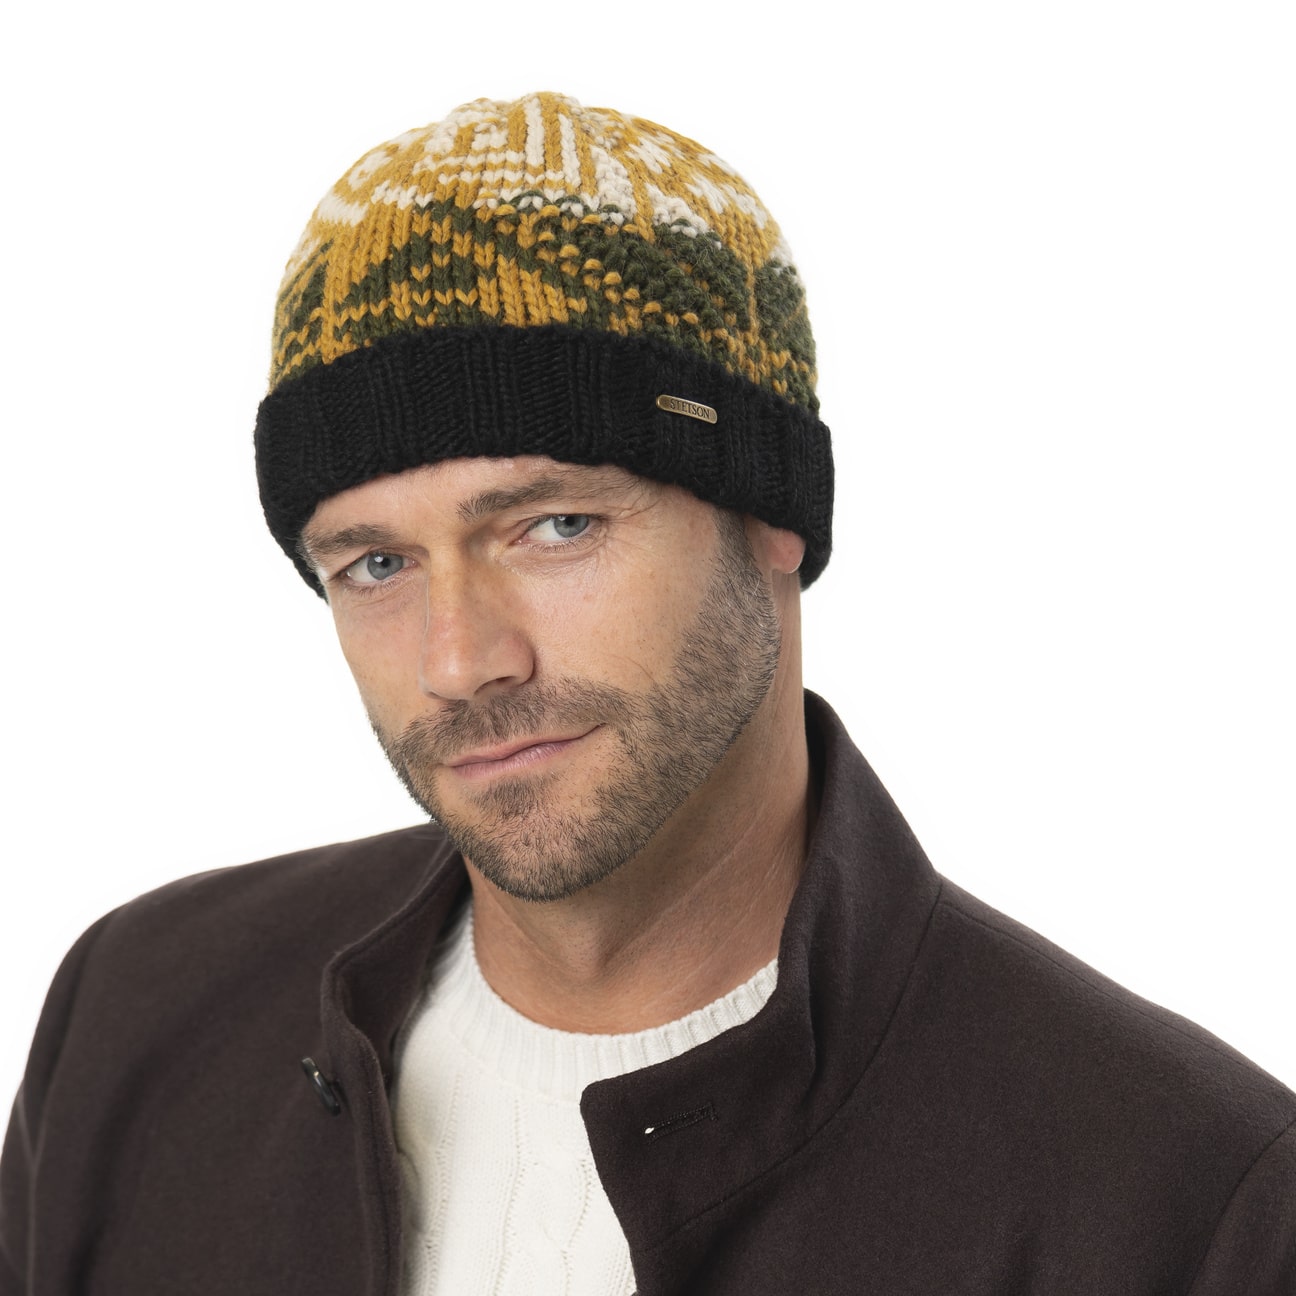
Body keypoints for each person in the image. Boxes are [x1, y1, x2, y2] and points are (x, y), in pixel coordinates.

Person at [1, 91, 1292, 1296]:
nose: (460, 661)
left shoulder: (1186, 1200)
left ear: (771, 516)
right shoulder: (139, 1019)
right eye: (377, 564)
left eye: (555, 526)